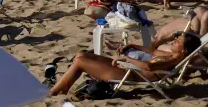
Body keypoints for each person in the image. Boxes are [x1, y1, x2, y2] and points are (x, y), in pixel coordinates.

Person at [49, 32, 199, 95]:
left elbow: (148, 66)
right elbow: (153, 52)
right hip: (129, 69)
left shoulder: (173, 59)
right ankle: (63, 89)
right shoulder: (172, 54)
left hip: (131, 75)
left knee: (80, 61)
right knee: (82, 55)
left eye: (178, 41)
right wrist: (134, 45)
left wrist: (127, 59)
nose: (175, 40)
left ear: (184, 50)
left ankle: (53, 93)